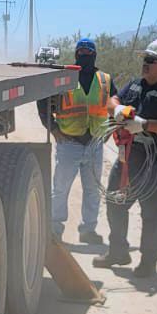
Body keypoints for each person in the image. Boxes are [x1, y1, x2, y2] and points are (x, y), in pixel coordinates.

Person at [97, 37, 157, 278]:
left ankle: (148, 263)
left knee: (150, 211)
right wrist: (116, 108)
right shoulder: (135, 84)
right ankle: (118, 252)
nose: (145, 64)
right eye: (145, 59)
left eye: (151, 60)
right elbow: (112, 100)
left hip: (155, 162)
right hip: (128, 158)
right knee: (115, 202)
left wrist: (145, 125)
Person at [37, 38, 114, 244]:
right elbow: (42, 102)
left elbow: (117, 105)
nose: (85, 55)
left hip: (95, 146)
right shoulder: (64, 78)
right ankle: (55, 229)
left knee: (92, 190)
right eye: (81, 52)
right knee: (60, 189)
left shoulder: (105, 80)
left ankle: (88, 230)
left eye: (88, 52)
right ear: (75, 55)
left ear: (95, 55)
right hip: (68, 144)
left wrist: (110, 130)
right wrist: (52, 129)